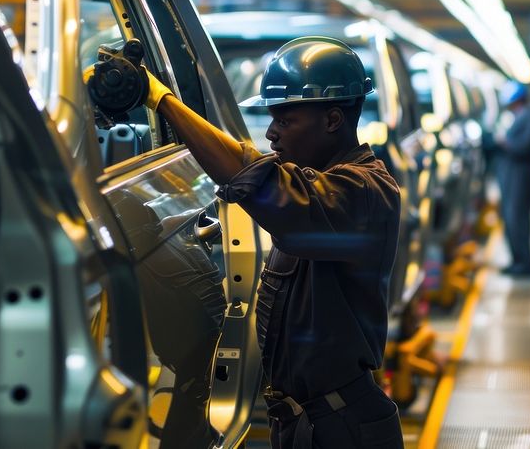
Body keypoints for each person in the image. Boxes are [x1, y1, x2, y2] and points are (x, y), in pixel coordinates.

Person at [88, 36, 404, 449]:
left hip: (341, 429)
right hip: (304, 422)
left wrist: (160, 100)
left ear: (332, 120)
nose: (271, 134)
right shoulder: (323, 186)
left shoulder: (364, 192)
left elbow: (262, 180)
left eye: (285, 121)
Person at [494, 81, 530, 276]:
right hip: (513, 175)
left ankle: (525, 264)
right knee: (510, 217)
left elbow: (526, 145)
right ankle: (517, 260)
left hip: (522, 175)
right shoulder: (518, 115)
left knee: (518, 218)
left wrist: (506, 142)